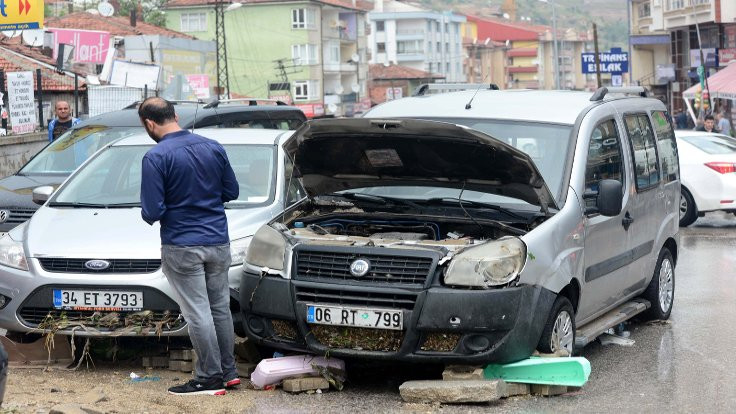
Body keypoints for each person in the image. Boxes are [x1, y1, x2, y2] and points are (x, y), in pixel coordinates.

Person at [138, 97, 239, 396]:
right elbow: (231, 191)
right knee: (220, 308)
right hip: (218, 241)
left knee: (198, 312)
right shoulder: (213, 146)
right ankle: (229, 372)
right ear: (176, 115)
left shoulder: (156, 157)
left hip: (182, 245)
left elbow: (152, 212)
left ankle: (209, 377)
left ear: (149, 124)